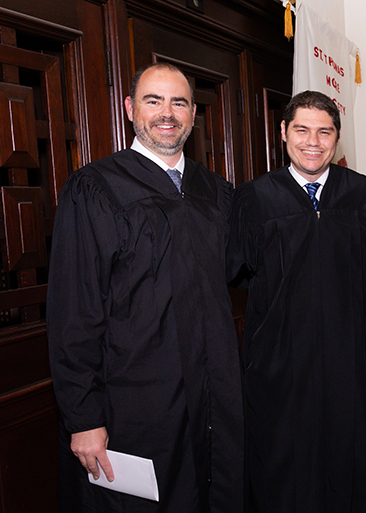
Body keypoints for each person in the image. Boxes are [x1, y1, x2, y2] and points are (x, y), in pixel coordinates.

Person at [47, 62, 243, 513]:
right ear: (130, 108)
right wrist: (83, 418)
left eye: (179, 102)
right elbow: (73, 312)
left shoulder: (215, 190)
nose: (166, 113)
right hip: (136, 400)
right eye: (153, 101)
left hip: (213, 393)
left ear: (194, 114)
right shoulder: (96, 188)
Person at [227, 90, 366, 513]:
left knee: (355, 461)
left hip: (354, 361)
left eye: (325, 132)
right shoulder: (253, 198)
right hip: (280, 366)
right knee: (285, 466)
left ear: (337, 138)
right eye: (302, 130)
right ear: (284, 132)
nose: (313, 141)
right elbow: (237, 271)